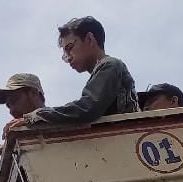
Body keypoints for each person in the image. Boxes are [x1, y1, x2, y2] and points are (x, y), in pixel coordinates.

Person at [7, 15, 138, 130]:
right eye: (65, 54)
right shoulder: (105, 69)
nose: (68, 57)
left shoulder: (110, 65)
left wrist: (37, 116)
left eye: (69, 48)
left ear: (90, 40)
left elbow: (86, 108)